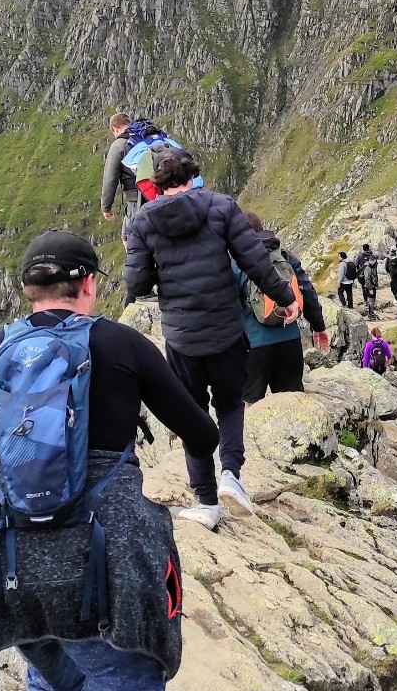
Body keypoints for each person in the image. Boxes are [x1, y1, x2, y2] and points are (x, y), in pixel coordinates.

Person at [0, 230, 219, 691]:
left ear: (28, 289)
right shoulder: (124, 346)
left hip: (14, 569)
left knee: (51, 677)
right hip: (105, 570)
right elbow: (202, 435)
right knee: (126, 678)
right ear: (89, 283)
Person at [124, 154, 299, 529]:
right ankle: (231, 475)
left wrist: (160, 270)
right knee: (230, 404)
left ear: (157, 184)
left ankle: (205, 501)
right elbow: (255, 262)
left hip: (182, 337)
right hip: (225, 331)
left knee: (193, 413)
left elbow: (136, 284)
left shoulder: (143, 221)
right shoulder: (221, 207)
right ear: (194, 177)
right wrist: (286, 299)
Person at [238, 211, 327, 403]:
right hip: (290, 339)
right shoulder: (284, 255)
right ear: (262, 229)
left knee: (250, 406)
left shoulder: (236, 261)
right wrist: (318, 327)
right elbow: (307, 291)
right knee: (292, 401)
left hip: (255, 346)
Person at [100, 112, 140, 242]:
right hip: (162, 195)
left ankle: (137, 262)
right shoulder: (146, 139)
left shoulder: (119, 145)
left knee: (128, 238)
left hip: (137, 200)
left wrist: (106, 207)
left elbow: (110, 178)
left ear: (115, 129)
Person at [358, 250, 379, 320]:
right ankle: (370, 315)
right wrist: (370, 288)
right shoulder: (367, 268)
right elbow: (367, 279)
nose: (372, 261)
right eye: (371, 260)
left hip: (374, 286)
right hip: (369, 287)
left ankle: (372, 313)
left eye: (373, 260)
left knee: (373, 300)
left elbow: (375, 276)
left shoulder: (374, 267)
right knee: (371, 301)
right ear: (369, 260)